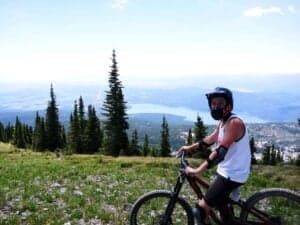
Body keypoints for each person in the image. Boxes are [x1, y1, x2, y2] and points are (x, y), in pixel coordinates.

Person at [177, 87, 251, 225]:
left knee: (200, 210)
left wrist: (197, 170)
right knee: (221, 205)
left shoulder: (234, 123)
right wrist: (189, 148)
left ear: (228, 105)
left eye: (220, 103)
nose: (216, 107)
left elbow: (220, 152)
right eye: (213, 104)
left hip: (233, 175)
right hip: (228, 171)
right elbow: (209, 139)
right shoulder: (223, 121)